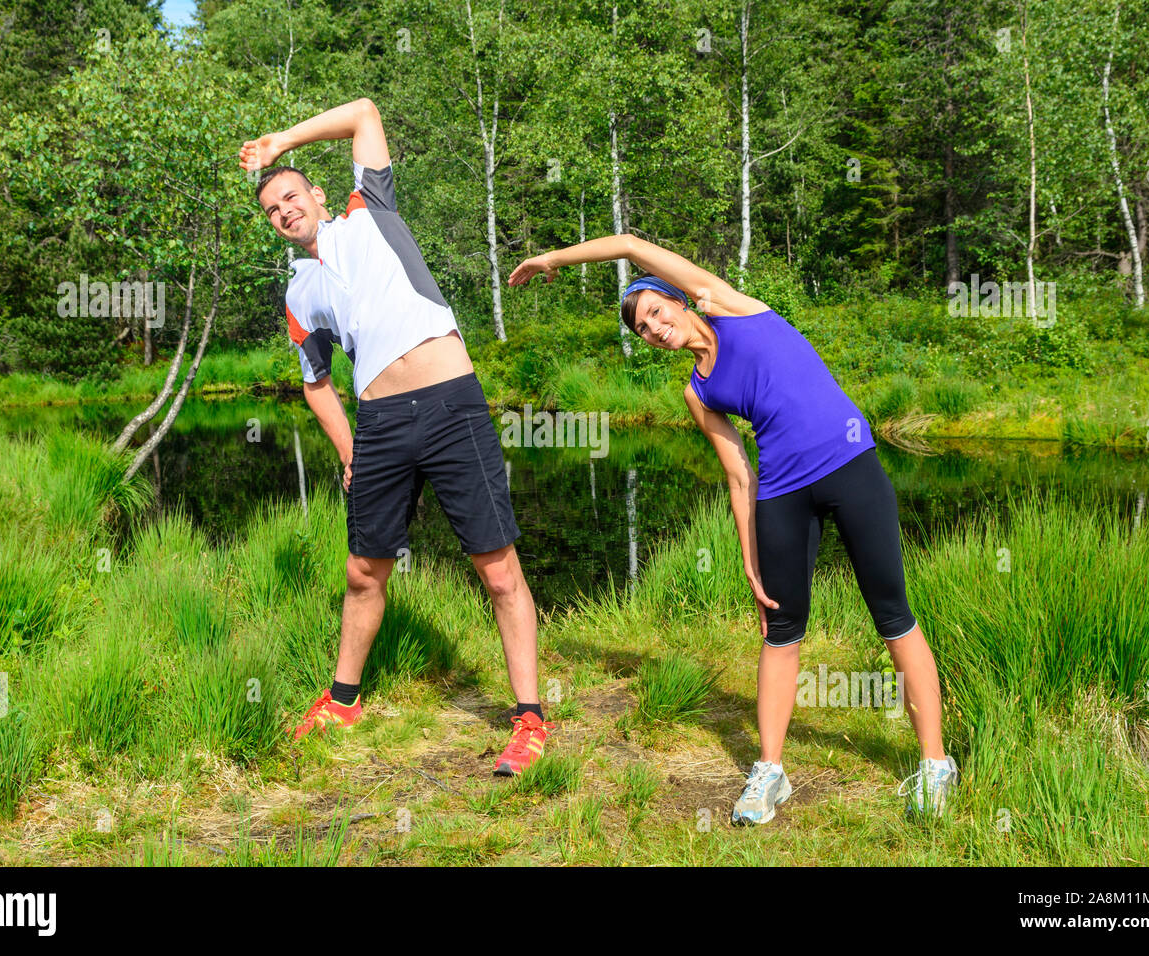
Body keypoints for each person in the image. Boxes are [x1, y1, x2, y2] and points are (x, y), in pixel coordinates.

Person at [508, 234, 958, 820]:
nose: (653, 327)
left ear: (680, 301)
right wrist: (749, 552)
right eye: (642, 328)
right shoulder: (697, 390)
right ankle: (770, 772)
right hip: (781, 493)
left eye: (654, 311)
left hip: (850, 467)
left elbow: (627, 243)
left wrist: (554, 258)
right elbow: (738, 474)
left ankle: (933, 764)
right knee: (780, 629)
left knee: (892, 614)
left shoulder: (731, 306)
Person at [240, 98, 552, 776]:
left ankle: (528, 720)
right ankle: (344, 700)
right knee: (363, 570)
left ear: (318, 195)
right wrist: (352, 452)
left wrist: (281, 140)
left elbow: (365, 112)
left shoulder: (368, 211)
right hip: (380, 426)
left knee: (498, 571)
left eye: (292, 196)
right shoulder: (299, 294)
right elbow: (317, 383)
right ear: (271, 225)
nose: (286, 211)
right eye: (273, 209)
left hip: (451, 407)